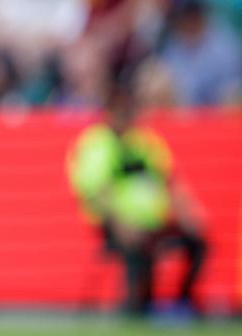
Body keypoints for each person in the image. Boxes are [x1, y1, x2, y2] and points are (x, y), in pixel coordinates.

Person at [67, 90, 208, 317]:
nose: (129, 118)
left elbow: (169, 179)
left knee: (198, 242)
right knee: (137, 246)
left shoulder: (144, 141)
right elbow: (94, 192)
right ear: (110, 113)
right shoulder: (97, 144)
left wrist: (187, 213)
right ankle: (135, 307)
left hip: (153, 223)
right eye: (123, 112)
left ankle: (183, 300)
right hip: (115, 226)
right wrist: (119, 223)